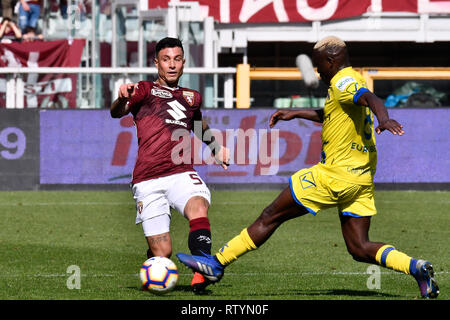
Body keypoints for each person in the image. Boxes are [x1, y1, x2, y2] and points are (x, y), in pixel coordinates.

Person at [176, 36, 439, 299]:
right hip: (361, 181)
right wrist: (296, 113)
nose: (317, 70)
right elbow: (335, 112)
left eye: (319, 65)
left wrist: (384, 118)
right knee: (359, 247)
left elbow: (370, 98)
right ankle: (415, 267)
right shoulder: (348, 80)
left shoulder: (344, 82)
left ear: (332, 60)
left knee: (270, 216)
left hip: (334, 176)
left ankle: (216, 264)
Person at [110, 37, 230, 294]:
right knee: (163, 254)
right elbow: (116, 112)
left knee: (198, 205)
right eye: (166, 60)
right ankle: (154, 259)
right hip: (147, 180)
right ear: (157, 63)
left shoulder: (192, 98)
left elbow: (197, 124)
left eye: (177, 59)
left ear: (183, 62)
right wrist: (122, 98)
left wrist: (215, 148)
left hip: (181, 172)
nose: (172, 65)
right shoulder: (144, 90)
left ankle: (203, 267)